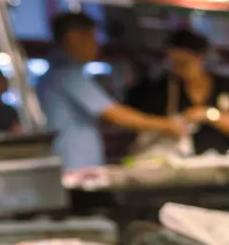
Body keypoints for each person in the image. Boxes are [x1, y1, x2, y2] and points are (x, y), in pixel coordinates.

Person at [37, 11, 186, 171]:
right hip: (75, 168)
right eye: (93, 37)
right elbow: (116, 115)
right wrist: (169, 124)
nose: (97, 45)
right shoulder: (66, 74)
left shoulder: (55, 73)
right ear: (73, 37)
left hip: (73, 166)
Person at [128, 29, 229, 155]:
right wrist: (169, 125)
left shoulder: (225, 85)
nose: (177, 69)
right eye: (173, 63)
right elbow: (143, 123)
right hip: (178, 162)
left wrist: (208, 114)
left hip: (222, 159)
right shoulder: (164, 88)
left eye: (183, 63)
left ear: (200, 58)